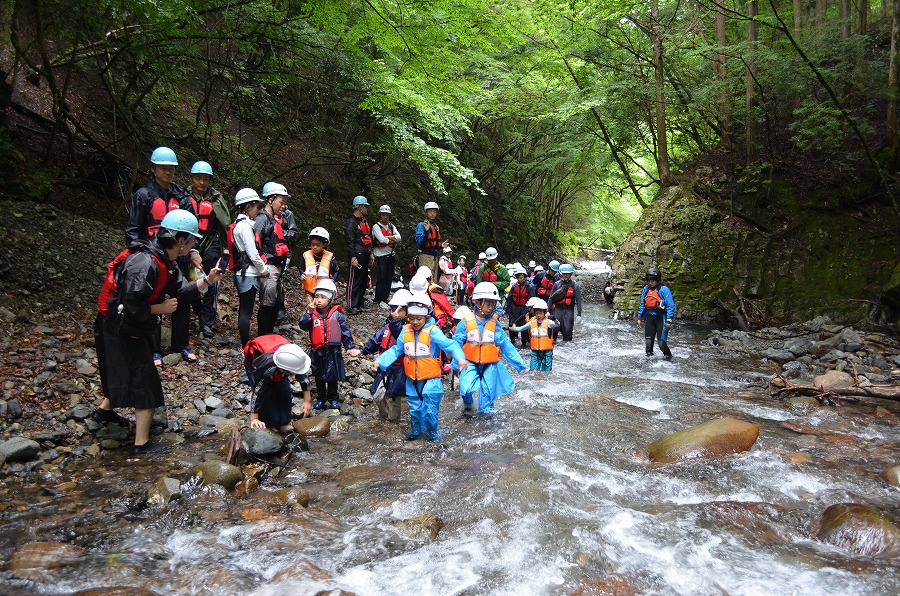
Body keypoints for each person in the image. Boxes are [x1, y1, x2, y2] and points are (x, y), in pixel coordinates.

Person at [94, 209, 224, 453]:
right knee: (146, 383)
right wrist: (159, 308)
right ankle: (141, 445)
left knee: (125, 368)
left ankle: (103, 411)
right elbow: (129, 305)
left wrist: (207, 281)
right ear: (180, 239)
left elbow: (181, 290)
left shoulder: (166, 260)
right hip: (117, 326)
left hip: (125, 326)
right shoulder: (144, 263)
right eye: (192, 239)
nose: (194, 243)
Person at [124, 146, 196, 366]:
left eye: (171, 169)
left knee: (182, 299)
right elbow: (133, 231)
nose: (167, 172)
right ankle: (154, 348)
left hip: (179, 258)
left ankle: (180, 345)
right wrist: (144, 255)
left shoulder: (181, 196)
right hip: (153, 259)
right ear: (153, 169)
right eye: (163, 168)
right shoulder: (143, 196)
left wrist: (192, 251)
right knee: (154, 299)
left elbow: (191, 229)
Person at [376, 292, 468, 441]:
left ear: (427, 316)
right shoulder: (405, 331)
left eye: (419, 319)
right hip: (412, 380)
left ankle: (433, 435)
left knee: (430, 410)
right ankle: (416, 431)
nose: (415, 322)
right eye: (411, 318)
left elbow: (450, 345)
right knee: (415, 409)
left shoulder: (434, 332)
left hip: (431, 380)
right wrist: (382, 360)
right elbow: (396, 350)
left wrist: (460, 359)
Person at [453, 282, 526, 414]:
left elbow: (505, 344)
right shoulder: (465, 322)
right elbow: (456, 344)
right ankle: (468, 406)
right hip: (470, 362)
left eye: (493, 304)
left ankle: (487, 423)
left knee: (487, 398)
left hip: (490, 364)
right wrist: (455, 365)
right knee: (466, 390)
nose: (491, 308)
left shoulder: (494, 324)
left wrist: (520, 364)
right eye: (488, 304)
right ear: (478, 303)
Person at [298, 279, 362, 409]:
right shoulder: (312, 315)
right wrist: (308, 314)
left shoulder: (337, 315)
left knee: (332, 375)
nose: (318, 300)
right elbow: (303, 326)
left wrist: (349, 346)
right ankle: (321, 398)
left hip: (334, 351)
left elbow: (345, 332)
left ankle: (333, 398)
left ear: (330, 299)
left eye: (323, 297)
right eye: (316, 297)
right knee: (318, 375)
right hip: (317, 351)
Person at [187, 160, 232, 339]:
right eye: (198, 179)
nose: (202, 183)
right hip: (190, 240)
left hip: (211, 241)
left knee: (212, 279)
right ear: (193, 179)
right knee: (190, 280)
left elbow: (225, 224)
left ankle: (207, 321)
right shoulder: (184, 196)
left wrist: (227, 248)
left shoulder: (216, 199)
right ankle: (197, 311)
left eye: (205, 179)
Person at [360, 289, 411, 421]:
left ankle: (393, 423)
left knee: (394, 397)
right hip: (384, 366)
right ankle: (384, 416)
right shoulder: (389, 324)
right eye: (393, 308)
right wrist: (363, 350)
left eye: (399, 309)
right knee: (377, 394)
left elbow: (398, 333)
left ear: (407, 310)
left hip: (399, 368)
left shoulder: (409, 328)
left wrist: (394, 321)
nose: (394, 311)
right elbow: (377, 339)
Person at [228, 188, 269, 347]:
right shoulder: (245, 227)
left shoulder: (239, 225)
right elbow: (252, 253)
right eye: (256, 206)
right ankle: (245, 344)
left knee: (245, 309)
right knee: (246, 310)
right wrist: (263, 270)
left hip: (243, 272)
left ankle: (245, 343)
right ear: (248, 206)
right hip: (248, 274)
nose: (258, 209)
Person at [244, 339, 312, 432]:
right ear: (283, 369)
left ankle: (284, 422)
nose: (293, 376)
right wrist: (254, 418)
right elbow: (258, 392)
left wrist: (307, 401)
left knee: (285, 389)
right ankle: (269, 423)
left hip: (279, 360)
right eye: (291, 373)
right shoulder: (268, 369)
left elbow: (303, 377)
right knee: (267, 394)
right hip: (256, 363)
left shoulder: (295, 358)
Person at [255, 182, 291, 336]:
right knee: (267, 304)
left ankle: (269, 334)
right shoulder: (262, 219)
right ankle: (263, 336)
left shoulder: (274, 219)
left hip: (276, 266)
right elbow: (256, 242)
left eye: (285, 203)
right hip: (268, 266)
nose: (283, 206)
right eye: (281, 202)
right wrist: (262, 266)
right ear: (270, 200)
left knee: (276, 302)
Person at [343, 195, 374, 314]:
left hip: (365, 254)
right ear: (360, 207)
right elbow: (350, 241)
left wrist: (370, 253)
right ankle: (351, 305)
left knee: (363, 280)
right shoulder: (351, 223)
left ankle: (360, 303)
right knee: (354, 280)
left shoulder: (364, 222)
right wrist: (353, 257)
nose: (367, 209)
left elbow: (367, 238)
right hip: (356, 255)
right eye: (365, 207)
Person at [636, 267, 675, 360]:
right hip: (649, 318)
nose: (651, 282)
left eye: (653, 280)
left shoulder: (663, 290)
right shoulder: (646, 289)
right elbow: (642, 303)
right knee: (648, 345)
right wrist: (639, 317)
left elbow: (670, 305)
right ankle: (649, 364)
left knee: (662, 344)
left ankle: (669, 358)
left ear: (657, 280)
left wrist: (669, 320)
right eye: (649, 280)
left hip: (661, 318)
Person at [509, 298, 558, 371]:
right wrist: (513, 328)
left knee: (547, 371)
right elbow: (521, 328)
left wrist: (555, 319)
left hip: (547, 351)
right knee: (533, 370)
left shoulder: (549, 323)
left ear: (545, 312)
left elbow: (557, 324)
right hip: (535, 351)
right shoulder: (532, 322)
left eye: (540, 313)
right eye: (537, 313)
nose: (538, 315)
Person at [300, 227, 340, 306]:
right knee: (311, 306)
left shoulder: (330, 256)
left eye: (318, 245)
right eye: (313, 245)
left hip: (324, 289)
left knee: (321, 308)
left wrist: (332, 280)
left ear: (324, 244)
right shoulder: (305, 255)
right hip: (309, 289)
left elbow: (337, 270)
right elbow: (301, 268)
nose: (315, 247)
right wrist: (302, 274)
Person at [372, 204, 401, 309]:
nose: (385, 217)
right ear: (380, 215)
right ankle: (378, 298)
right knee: (381, 277)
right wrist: (391, 238)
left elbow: (399, 237)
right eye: (383, 215)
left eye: (387, 215)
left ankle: (385, 297)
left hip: (390, 255)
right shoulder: (376, 226)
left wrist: (387, 237)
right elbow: (381, 240)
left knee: (389, 277)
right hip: (381, 255)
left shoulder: (391, 226)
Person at [410, 266, 455, 331]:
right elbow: (448, 308)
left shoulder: (414, 289)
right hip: (437, 321)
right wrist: (456, 322)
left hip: (419, 322)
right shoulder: (434, 290)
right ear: (431, 277)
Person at [415, 201, 448, 281]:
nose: (432, 213)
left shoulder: (436, 227)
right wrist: (426, 231)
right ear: (426, 213)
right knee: (425, 279)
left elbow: (433, 243)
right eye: (430, 211)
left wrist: (440, 245)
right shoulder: (422, 225)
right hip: (425, 256)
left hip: (434, 257)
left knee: (433, 280)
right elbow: (419, 242)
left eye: (434, 212)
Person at [548, 263, 583, 342]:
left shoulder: (575, 285)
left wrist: (579, 315)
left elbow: (578, 301)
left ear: (571, 274)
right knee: (554, 330)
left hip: (569, 310)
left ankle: (567, 349)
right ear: (560, 274)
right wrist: (547, 311)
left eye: (567, 274)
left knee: (567, 330)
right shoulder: (557, 284)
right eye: (564, 273)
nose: (566, 275)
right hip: (557, 309)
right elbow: (551, 298)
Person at [506, 265, 535, 347]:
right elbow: (510, 298)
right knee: (512, 323)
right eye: (518, 277)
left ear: (524, 277)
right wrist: (507, 308)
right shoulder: (514, 286)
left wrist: (533, 311)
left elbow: (533, 299)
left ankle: (524, 343)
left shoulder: (530, 286)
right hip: (515, 307)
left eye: (521, 277)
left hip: (525, 308)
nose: (520, 279)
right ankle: (512, 340)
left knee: (524, 325)